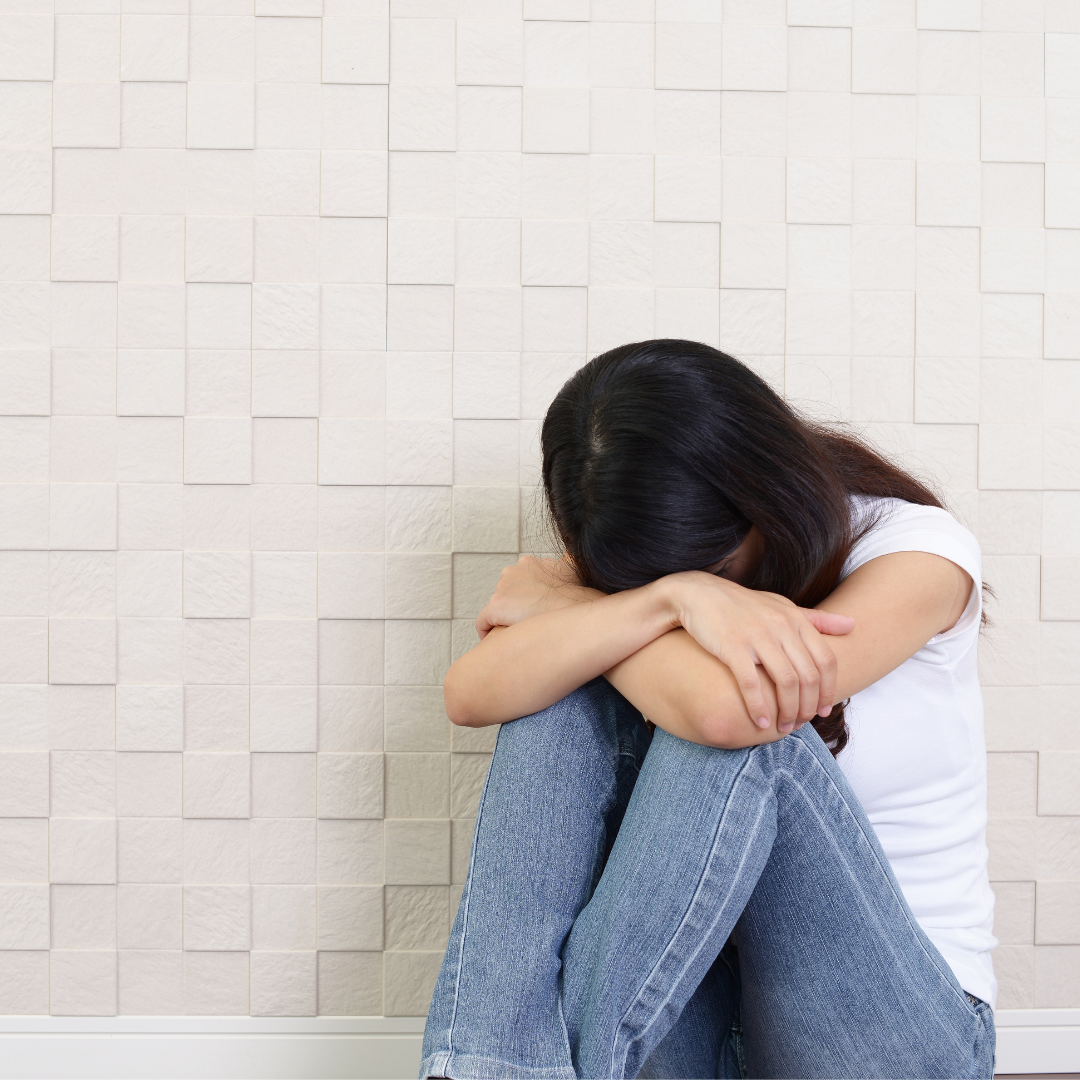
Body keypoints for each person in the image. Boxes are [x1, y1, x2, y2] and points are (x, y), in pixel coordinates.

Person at [419, 340, 997, 1080]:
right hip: (695, 1024)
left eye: (714, 569)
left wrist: (592, 613)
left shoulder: (916, 552)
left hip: (897, 1032)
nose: (695, 588)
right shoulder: (642, 556)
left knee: (749, 732)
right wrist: (675, 600)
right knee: (555, 697)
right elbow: (469, 693)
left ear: (766, 491)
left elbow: (737, 715)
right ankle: (490, 1066)